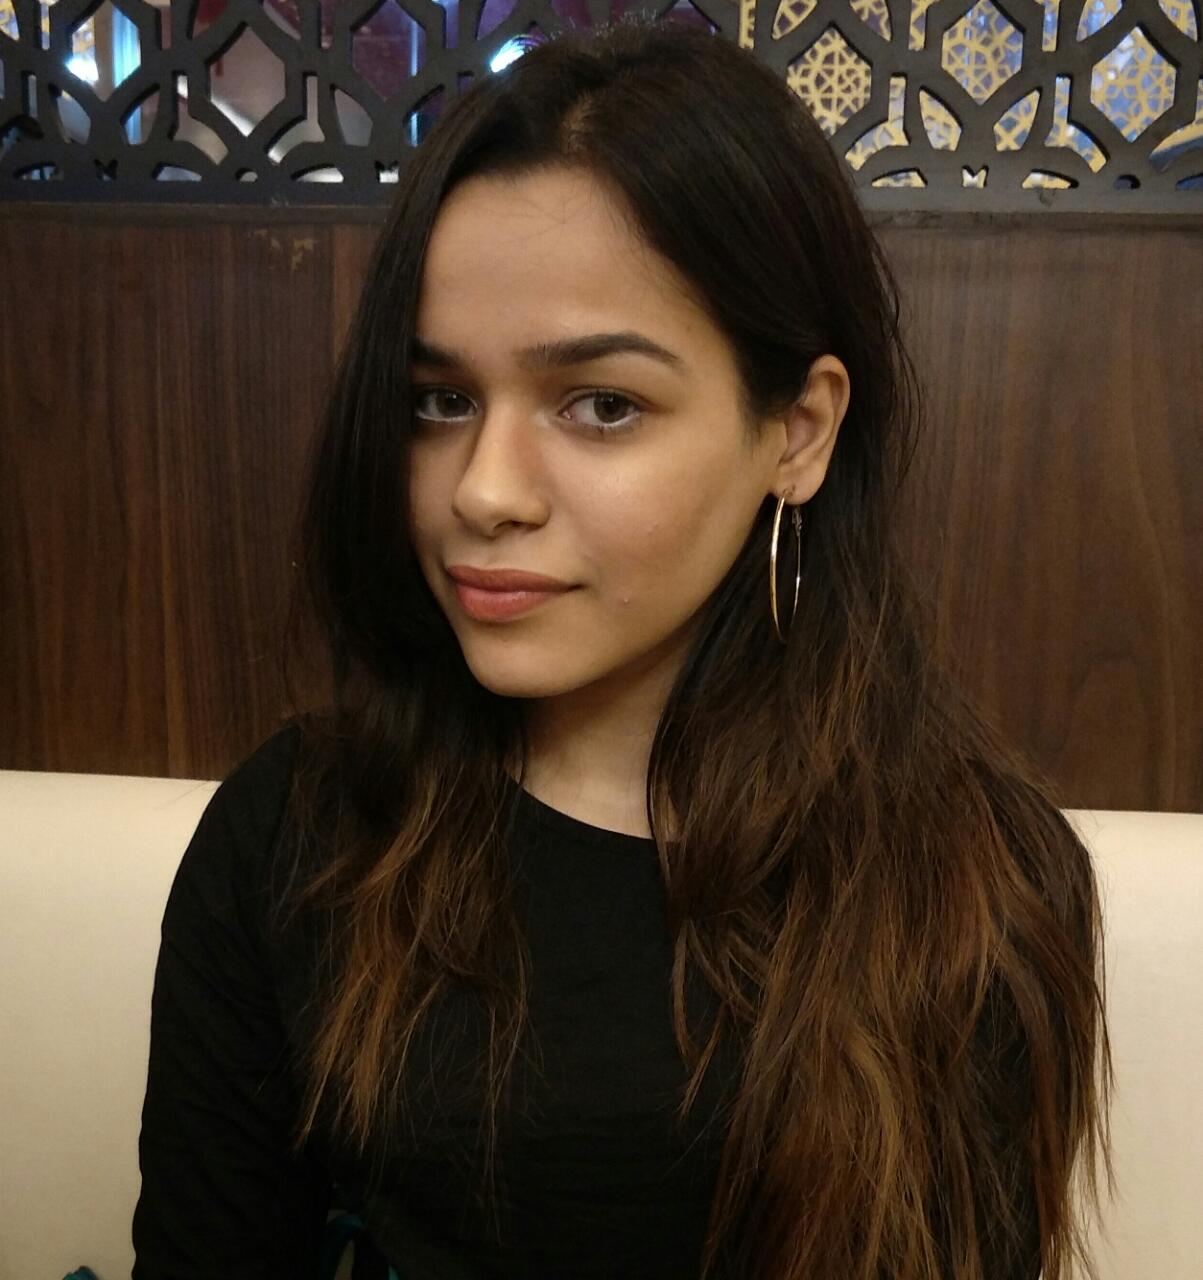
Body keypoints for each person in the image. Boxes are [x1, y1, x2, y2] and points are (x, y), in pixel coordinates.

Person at [131, 17, 1112, 1280]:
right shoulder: (300, 835)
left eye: (602, 405)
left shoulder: (970, 878)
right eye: (440, 399)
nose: (484, 489)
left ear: (797, 432)